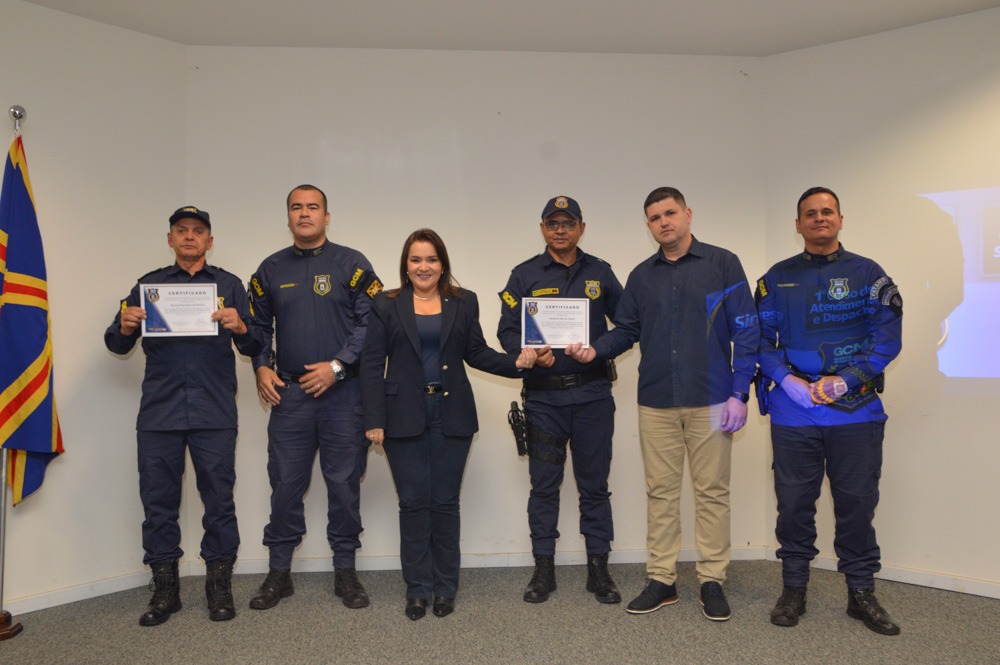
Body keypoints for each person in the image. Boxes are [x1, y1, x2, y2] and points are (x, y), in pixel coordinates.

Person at [567, 187, 758, 621]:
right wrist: (594, 351)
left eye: (670, 213)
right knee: (661, 494)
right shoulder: (641, 276)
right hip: (656, 400)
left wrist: (739, 392)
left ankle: (712, 580)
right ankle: (662, 579)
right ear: (648, 225)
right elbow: (626, 330)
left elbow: (747, 330)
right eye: (654, 218)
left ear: (688, 214)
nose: (663, 222)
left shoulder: (723, 264)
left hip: (713, 398)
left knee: (712, 494)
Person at [361, 229, 538, 620]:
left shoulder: (464, 301)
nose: (423, 267)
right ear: (406, 265)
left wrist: (516, 364)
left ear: (443, 264)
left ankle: (445, 588)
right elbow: (372, 364)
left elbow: (476, 353)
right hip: (401, 413)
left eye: (431, 259)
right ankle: (417, 589)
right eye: (416, 260)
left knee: (444, 502)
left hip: (451, 411)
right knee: (412, 502)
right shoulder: (386, 303)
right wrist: (373, 419)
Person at [105, 206, 263, 626]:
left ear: (209, 241)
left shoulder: (229, 285)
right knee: (158, 503)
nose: (189, 236)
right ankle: (165, 592)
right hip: (160, 413)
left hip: (214, 411)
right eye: (181, 230)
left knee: (219, 501)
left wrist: (241, 327)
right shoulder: (147, 286)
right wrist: (125, 325)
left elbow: (254, 346)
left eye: (197, 231)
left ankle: (218, 587)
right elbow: (116, 344)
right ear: (170, 239)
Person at [755, 186, 903, 636]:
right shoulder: (776, 278)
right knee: (794, 505)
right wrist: (787, 380)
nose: (819, 218)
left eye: (827, 211)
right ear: (798, 224)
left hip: (856, 412)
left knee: (857, 504)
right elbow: (759, 341)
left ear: (840, 219)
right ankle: (793, 588)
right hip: (794, 411)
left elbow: (887, 339)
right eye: (810, 213)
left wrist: (847, 379)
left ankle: (861, 593)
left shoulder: (869, 274)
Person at [246, 184, 383, 611]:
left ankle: (346, 571)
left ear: (326, 216)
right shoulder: (270, 269)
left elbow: (371, 323)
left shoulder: (352, 264)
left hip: (343, 395)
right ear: (287, 217)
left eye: (313, 207)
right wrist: (261, 366)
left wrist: (337, 366)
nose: (304, 214)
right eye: (296, 207)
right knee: (285, 485)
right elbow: (256, 327)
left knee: (343, 485)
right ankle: (279, 573)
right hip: (291, 397)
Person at [497, 195, 624, 605]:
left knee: (594, 486)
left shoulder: (600, 272)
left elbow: (628, 325)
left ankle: (598, 569)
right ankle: (543, 569)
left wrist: (599, 349)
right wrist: (528, 353)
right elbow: (506, 330)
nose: (561, 230)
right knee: (544, 487)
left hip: (592, 397)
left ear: (581, 228)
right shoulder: (524, 275)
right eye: (553, 223)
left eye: (568, 223)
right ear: (543, 229)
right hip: (544, 401)